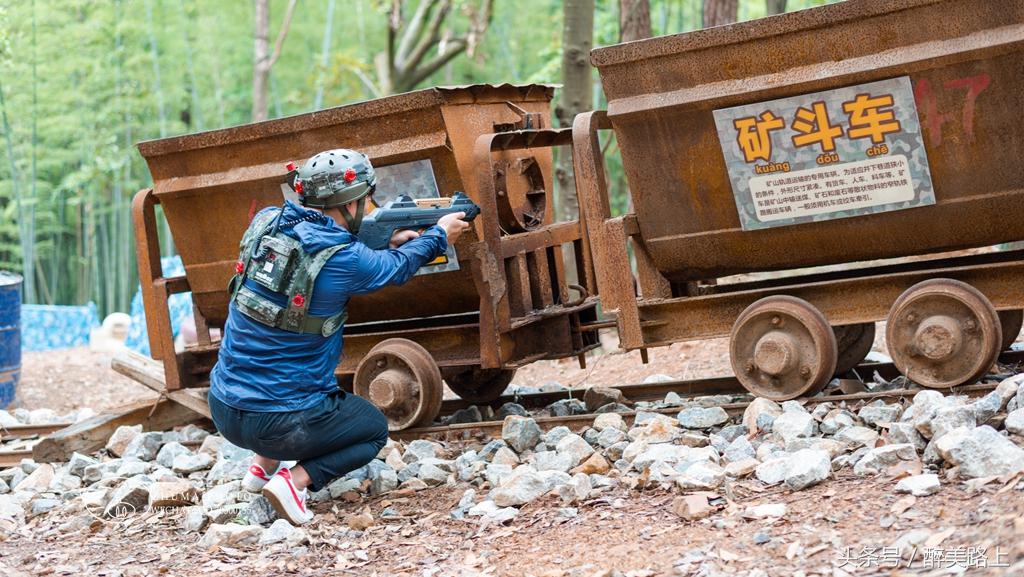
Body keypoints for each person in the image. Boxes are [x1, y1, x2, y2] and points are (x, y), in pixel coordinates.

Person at [208, 149, 469, 525]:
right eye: (367, 199)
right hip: (280, 425)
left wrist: (386, 236)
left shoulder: (267, 221)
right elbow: (395, 268)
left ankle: (261, 469)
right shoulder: (345, 259)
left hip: (224, 407)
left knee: (273, 369)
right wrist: (439, 235)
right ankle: (293, 482)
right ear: (351, 203)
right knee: (372, 429)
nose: (371, 204)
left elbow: (317, 242)